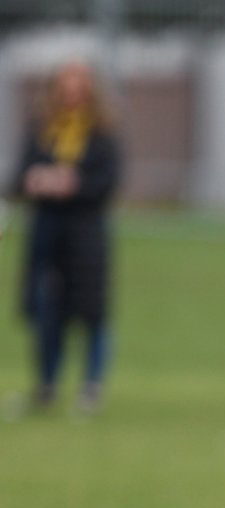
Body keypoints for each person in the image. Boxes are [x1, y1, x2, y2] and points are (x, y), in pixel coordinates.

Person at [9, 60, 120, 416]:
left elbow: (108, 182)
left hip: (86, 233)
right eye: (65, 87)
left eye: (78, 87)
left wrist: (74, 184)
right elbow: (17, 177)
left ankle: (91, 387)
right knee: (46, 310)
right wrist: (36, 180)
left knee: (92, 310)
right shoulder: (43, 129)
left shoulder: (102, 134)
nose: (71, 94)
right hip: (47, 230)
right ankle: (46, 386)